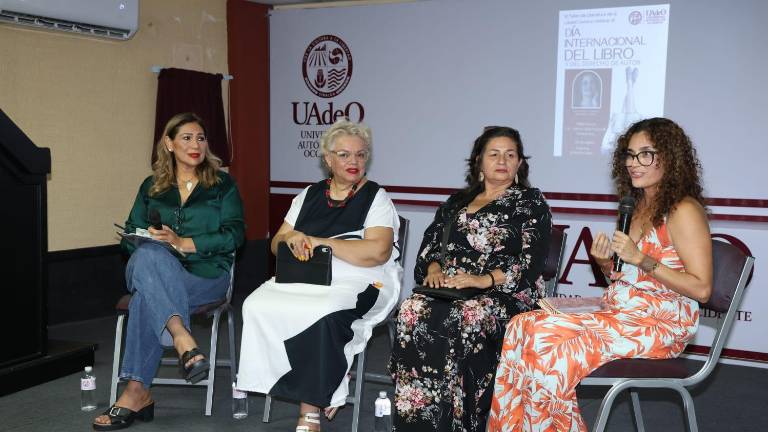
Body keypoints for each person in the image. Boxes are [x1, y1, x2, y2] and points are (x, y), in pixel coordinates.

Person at [490, 117, 713, 431]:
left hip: (660, 324)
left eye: (645, 154)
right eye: (629, 155)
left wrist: (642, 258)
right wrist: (607, 264)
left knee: (546, 340)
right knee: (521, 325)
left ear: (670, 158)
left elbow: (702, 289)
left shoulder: (683, 210)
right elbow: (629, 277)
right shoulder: (636, 206)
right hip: (622, 311)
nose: (634, 163)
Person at [236, 119, 401, 432]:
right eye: (344, 155)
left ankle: (309, 410)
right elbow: (275, 244)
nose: (353, 162)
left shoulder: (376, 197)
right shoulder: (308, 195)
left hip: (363, 278)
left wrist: (320, 242)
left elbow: (378, 252)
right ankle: (321, 374)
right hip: (308, 275)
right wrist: (292, 238)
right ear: (328, 159)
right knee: (254, 305)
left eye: (361, 155)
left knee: (322, 313)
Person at [389, 126, 552, 431]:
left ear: (519, 164)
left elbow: (531, 265)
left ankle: (464, 423)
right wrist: (434, 268)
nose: (502, 160)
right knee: (411, 309)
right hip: (452, 291)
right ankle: (418, 421)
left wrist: (483, 280)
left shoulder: (530, 203)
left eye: (510, 154)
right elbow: (429, 248)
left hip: (505, 295)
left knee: (468, 316)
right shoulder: (455, 202)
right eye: (494, 154)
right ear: (479, 161)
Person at [93, 113, 245, 430]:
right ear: (169, 143)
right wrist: (151, 242)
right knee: (148, 254)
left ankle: (136, 392)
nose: (195, 144)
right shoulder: (152, 186)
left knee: (142, 301)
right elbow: (130, 239)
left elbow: (235, 236)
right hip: (157, 272)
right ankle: (182, 338)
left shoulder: (222, 185)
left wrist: (184, 242)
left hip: (206, 276)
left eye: (201, 138)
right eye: (187, 137)